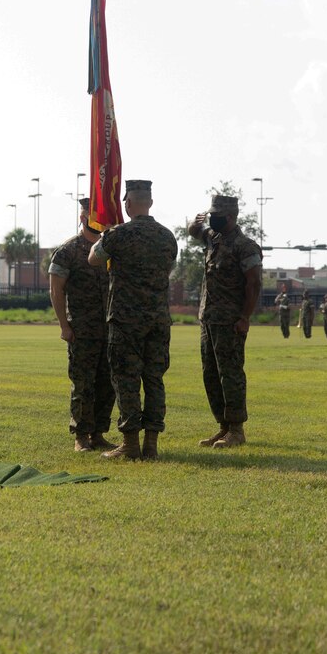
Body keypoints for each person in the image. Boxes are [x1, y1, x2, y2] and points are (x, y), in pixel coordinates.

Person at [88, 180, 177, 460]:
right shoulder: (167, 237)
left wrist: (107, 237)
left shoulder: (118, 235)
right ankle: (151, 444)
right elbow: (169, 268)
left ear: (127, 204)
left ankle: (129, 443)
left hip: (126, 320)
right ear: (150, 203)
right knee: (154, 379)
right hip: (158, 319)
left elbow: (93, 259)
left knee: (126, 379)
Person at [188, 194, 262, 449]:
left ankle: (237, 430)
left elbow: (254, 284)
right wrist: (196, 223)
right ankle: (223, 426)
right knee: (211, 375)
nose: (213, 220)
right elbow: (193, 232)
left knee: (230, 374)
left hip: (230, 321)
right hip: (208, 319)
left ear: (230, 217)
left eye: (217, 216)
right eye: (211, 215)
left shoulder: (246, 246)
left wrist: (245, 317)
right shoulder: (213, 238)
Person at [48, 198, 116, 452]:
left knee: (107, 384)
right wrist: (64, 326)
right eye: (91, 214)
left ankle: (98, 433)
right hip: (81, 331)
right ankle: (81, 436)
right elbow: (56, 291)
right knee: (83, 384)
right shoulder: (68, 251)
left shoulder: (109, 250)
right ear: (83, 217)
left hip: (109, 329)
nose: (96, 220)